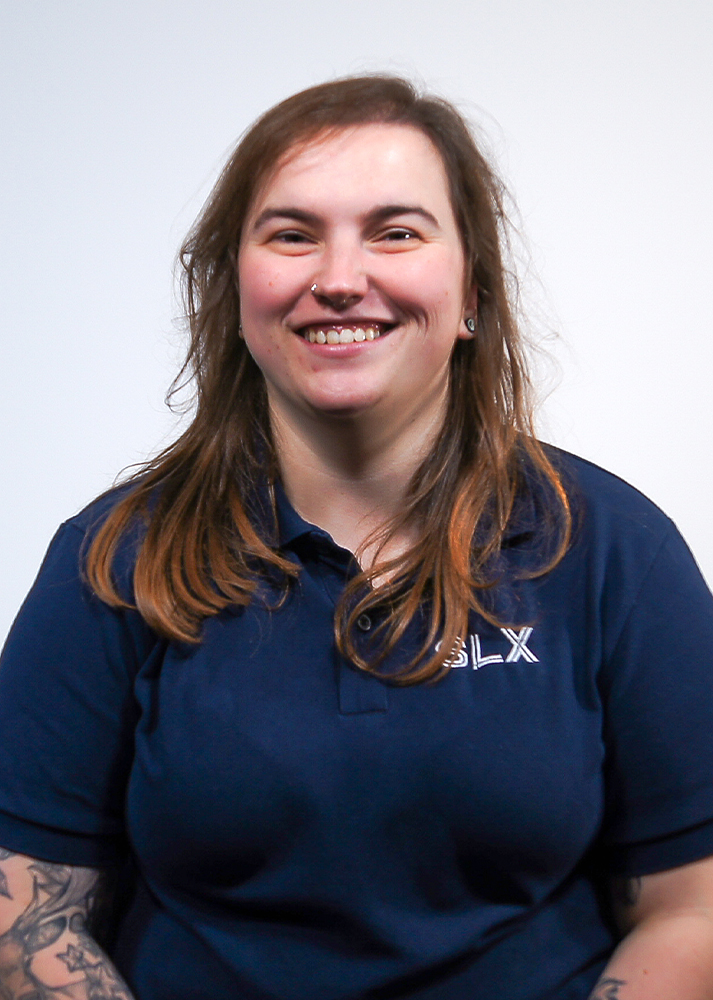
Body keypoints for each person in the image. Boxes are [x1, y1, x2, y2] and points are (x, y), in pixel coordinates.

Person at [1, 75, 712, 1000]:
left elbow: (690, 908)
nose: (339, 279)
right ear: (236, 290)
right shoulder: (116, 556)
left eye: (396, 232)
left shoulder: (611, 549)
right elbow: (24, 914)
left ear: (470, 295)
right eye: (291, 234)